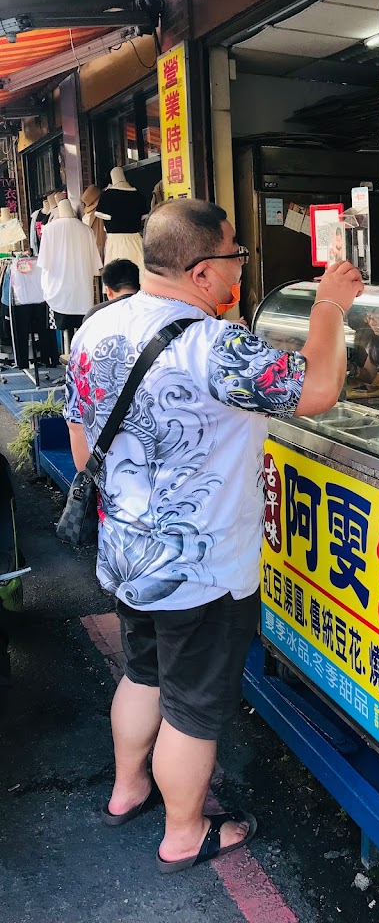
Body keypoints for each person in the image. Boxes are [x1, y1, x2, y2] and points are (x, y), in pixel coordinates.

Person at [64, 199, 363, 874]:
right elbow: (316, 388)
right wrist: (329, 309)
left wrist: (131, 507)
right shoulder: (213, 344)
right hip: (202, 571)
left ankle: (127, 789)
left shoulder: (98, 327)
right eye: (235, 255)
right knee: (194, 709)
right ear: (202, 272)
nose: (239, 267)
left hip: (127, 557)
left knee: (143, 673)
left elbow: (81, 435)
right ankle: (183, 831)